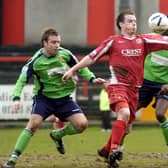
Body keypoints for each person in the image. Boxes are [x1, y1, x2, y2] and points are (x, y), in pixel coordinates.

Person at [62, 9, 168, 168]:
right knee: (124, 113)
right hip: (118, 86)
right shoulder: (113, 41)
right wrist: (72, 69)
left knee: (127, 127)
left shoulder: (143, 41)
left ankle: (106, 150)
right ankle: (114, 151)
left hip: (135, 90)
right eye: (130, 21)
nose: (133, 24)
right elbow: (92, 57)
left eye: (134, 21)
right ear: (121, 24)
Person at [2, 28, 105, 168]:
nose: (57, 45)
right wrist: (16, 98)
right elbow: (22, 80)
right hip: (44, 99)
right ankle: (12, 159)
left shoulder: (65, 54)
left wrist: (92, 79)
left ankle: (57, 134)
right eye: (53, 42)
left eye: (58, 42)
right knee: (34, 124)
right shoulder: (36, 61)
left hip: (64, 99)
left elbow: (80, 67)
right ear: (44, 43)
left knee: (82, 125)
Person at [138, 14, 168, 146]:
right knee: (128, 113)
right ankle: (115, 149)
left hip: (165, 84)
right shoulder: (148, 39)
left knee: (160, 114)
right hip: (146, 82)